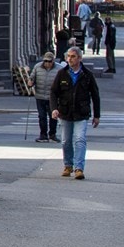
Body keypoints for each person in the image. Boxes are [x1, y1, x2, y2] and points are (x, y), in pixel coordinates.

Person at [50, 47, 101, 179]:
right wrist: (54, 108)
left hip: (81, 113)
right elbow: (54, 93)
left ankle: (79, 168)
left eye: (73, 56)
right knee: (66, 141)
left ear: (79, 58)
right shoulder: (62, 73)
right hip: (65, 112)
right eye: (68, 56)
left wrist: (97, 115)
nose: (70, 59)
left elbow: (95, 95)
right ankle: (68, 165)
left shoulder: (87, 74)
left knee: (80, 139)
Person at [31, 52, 60, 143]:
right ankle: (43, 135)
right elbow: (32, 77)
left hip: (53, 97)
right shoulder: (37, 67)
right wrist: (30, 82)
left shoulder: (59, 69)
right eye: (45, 61)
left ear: (53, 61)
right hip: (40, 96)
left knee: (53, 116)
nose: (47, 63)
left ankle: (52, 134)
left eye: (49, 61)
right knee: (42, 116)